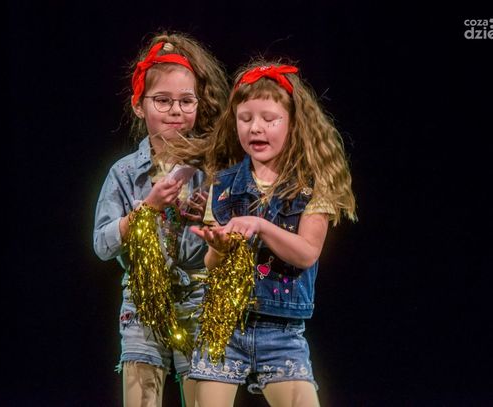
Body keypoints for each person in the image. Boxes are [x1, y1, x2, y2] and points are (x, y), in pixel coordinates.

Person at [188, 60, 357, 407]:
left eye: (269, 119)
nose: (255, 128)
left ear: (293, 123)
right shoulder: (224, 185)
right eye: (245, 118)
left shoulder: (312, 186)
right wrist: (218, 248)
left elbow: (307, 252)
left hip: (281, 333)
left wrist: (261, 226)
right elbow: (211, 263)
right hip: (226, 325)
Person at [93, 31, 228, 407]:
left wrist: (214, 225)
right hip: (142, 304)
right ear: (139, 106)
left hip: (199, 299)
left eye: (186, 101)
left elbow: (228, 239)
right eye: (163, 100)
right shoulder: (124, 173)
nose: (175, 110)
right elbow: (102, 244)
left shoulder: (211, 168)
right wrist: (148, 207)